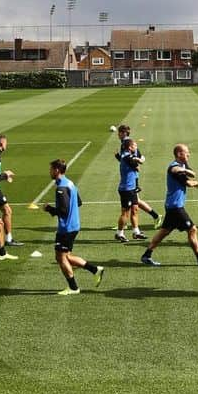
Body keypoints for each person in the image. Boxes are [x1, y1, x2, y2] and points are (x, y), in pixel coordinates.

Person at [140, 144, 198, 267]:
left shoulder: (183, 166)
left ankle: (146, 255)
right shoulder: (174, 167)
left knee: (163, 232)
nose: (189, 154)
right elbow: (185, 180)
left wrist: (187, 171)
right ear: (179, 154)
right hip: (175, 206)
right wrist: (192, 181)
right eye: (186, 152)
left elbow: (193, 173)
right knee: (192, 229)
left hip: (172, 206)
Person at [44, 158, 104, 295]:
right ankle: (95, 270)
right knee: (66, 256)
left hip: (66, 228)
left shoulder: (61, 188)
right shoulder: (70, 183)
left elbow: (63, 212)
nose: (50, 172)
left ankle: (73, 287)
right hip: (74, 225)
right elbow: (79, 202)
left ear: (57, 170)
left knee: (60, 258)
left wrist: (49, 209)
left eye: (51, 169)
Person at [115, 125, 161, 228]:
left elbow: (132, 159)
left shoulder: (125, 144)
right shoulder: (128, 142)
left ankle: (124, 224)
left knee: (133, 201)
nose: (118, 135)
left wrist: (135, 166)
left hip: (131, 178)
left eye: (119, 133)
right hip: (132, 176)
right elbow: (137, 156)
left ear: (123, 133)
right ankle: (154, 216)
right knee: (135, 201)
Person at [114, 138, 149, 242]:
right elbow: (138, 165)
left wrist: (139, 160)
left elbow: (137, 163)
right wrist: (140, 160)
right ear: (130, 147)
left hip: (132, 188)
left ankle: (136, 232)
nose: (136, 148)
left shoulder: (129, 155)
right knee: (126, 213)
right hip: (126, 189)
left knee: (135, 209)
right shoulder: (127, 156)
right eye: (135, 146)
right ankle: (119, 233)